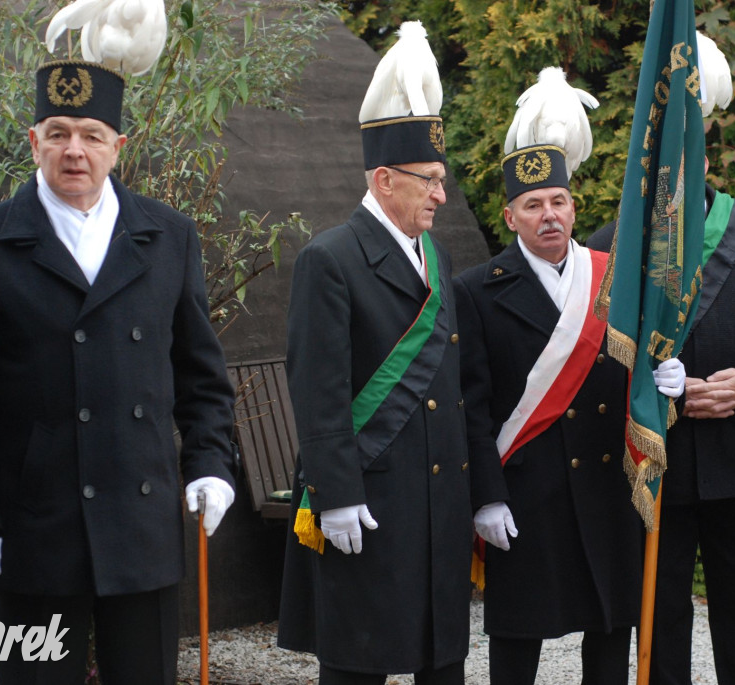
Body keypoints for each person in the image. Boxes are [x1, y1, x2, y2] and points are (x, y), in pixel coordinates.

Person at [0, 60, 237, 684]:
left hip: (140, 526)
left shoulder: (168, 236)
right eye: (57, 133)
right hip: (31, 532)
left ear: (118, 146)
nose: (74, 151)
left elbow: (202, 377)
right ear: (33, 142)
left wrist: (212, 465)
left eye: (90, 134)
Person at [275, 23, 472, 685]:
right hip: (368, 499)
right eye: (430, 181)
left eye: (443, 180)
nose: (441, 195)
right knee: (359, 663)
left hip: (436, 500)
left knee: (440, 661)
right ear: (385, 179)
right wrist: (334, 492)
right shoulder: (329, 258)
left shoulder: (436, 256)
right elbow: (317, 385)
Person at [455, 139, 686, 685]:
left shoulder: (615, 278)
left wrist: (666, 382)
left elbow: (643, 361)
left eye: (558, 201)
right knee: (518, 640)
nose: (549, 215)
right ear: (510, 216)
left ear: (574, 208)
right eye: (533, 205)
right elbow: (473, 405)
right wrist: (485, 495)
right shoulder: (478, 291)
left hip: (608, 488)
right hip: (528, 494)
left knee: (609, 635)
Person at [587, 156, 735, 684]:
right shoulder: (608, 244)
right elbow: (597, 351)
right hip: (659, 462)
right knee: (661, 621)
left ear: (704, 157)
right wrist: (662, 391)